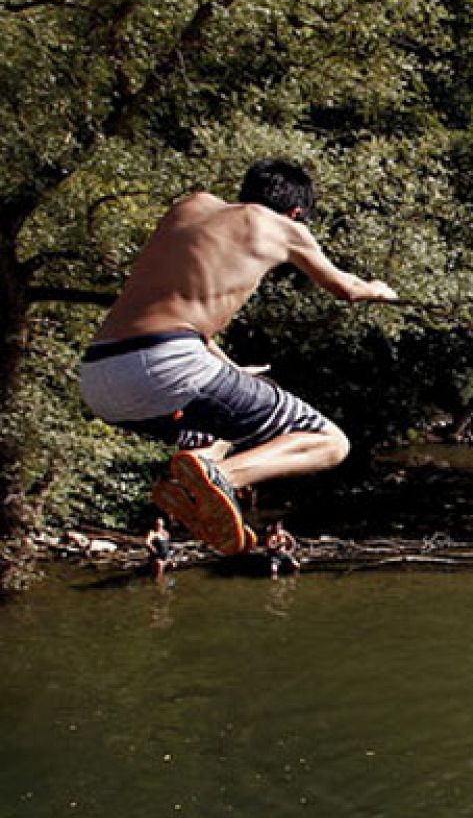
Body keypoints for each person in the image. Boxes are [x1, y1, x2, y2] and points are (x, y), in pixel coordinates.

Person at [78, 160, 398, 556]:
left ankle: (188, 483)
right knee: (330, 442)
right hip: (168, 367)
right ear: (297, 212)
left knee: (227, 418)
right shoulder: (284, 228)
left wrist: (231, 369)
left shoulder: (189, 207)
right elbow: (345, 288)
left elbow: (178, 316)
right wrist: (378, 290)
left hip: (99, 377)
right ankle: (220, 477)